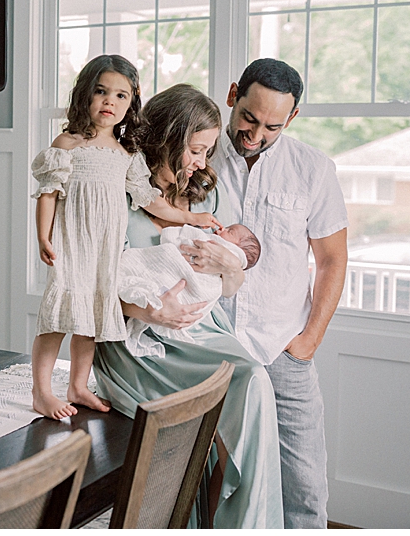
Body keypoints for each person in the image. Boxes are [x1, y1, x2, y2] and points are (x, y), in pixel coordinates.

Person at [93, 84, 283, 528]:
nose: (203, 162)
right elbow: (93, 283)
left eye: (208, 150)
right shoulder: (116, 192)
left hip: (203, 332)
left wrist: (226, 264)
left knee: (253, 381)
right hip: (138, 342)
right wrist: (149, 311)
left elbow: (231, 282)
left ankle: (248, 524)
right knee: (239, 390)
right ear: (166, 138)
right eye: (196, 149)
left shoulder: (207, 193)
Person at [30, 55, 220, 421]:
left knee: (90, 321)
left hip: (106, 250)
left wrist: (191, 217)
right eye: (101, 92)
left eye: (121, 96)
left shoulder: (126, 155)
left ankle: (78, 385)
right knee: (57, 319)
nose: (109, 102)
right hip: (73, 245)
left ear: (131, 103)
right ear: (85, 94)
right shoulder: (68, 144)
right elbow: (48, 192)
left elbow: (152, 202)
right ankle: (41, 391)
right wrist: (43, 236)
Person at [210, 58, 348, 528]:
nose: (256, 133)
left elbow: (332, 259)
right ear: (233, 95)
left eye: (272, 125)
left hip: (282, 347)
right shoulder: (194, 155)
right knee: (199, 473)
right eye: (249, 117)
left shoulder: (313, 169)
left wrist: (309, 340)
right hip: (207, 345)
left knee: (304, 483)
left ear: (291, 119)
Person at [117, 223, 261, 359]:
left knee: (246, 369)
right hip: (150, 309)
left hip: (197, 315)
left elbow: (228, 291)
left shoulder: (213, 218)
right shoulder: (207, 230)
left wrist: (233, 266)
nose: (220, 229)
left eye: (229, 231)